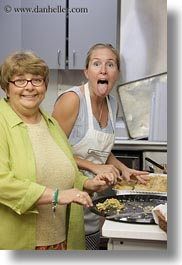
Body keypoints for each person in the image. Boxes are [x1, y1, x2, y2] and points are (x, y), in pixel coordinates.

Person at [0, 51, 116, 250]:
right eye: (20, 80)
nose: (29, 87)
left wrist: (88, 183)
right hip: (23, 243)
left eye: (36, 80)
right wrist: (56, 196)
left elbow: (65, 170)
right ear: (6, 87)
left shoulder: (50, 123)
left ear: (44, 85)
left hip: (62, 241)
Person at [52, 43, 149, 250]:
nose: (103, 70)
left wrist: (122, 168)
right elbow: (52, 149)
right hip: (67, 199)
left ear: (117, 73)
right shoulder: (72, 100)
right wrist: (93, 167)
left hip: (94, 199)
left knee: (91, 245)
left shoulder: (112, 102)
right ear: (87, 71)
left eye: (110, 64)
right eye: (97, 64)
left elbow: (100, 150)